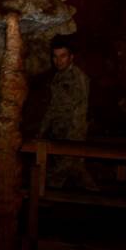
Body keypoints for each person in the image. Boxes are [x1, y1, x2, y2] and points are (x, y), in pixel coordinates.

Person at [38, 35, 97, 190]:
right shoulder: (58, 77)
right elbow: (53, 107)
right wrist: (42, 130)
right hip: (59, 134)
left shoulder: (78, 78)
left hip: (71, 137)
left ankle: (43, 201)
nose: (58, 61)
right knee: (78, 173)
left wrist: (73, 142)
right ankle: (99, 199)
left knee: (55, 178)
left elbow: (79, 112)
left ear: (71, 57)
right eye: (55, 56)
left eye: (63, 56)